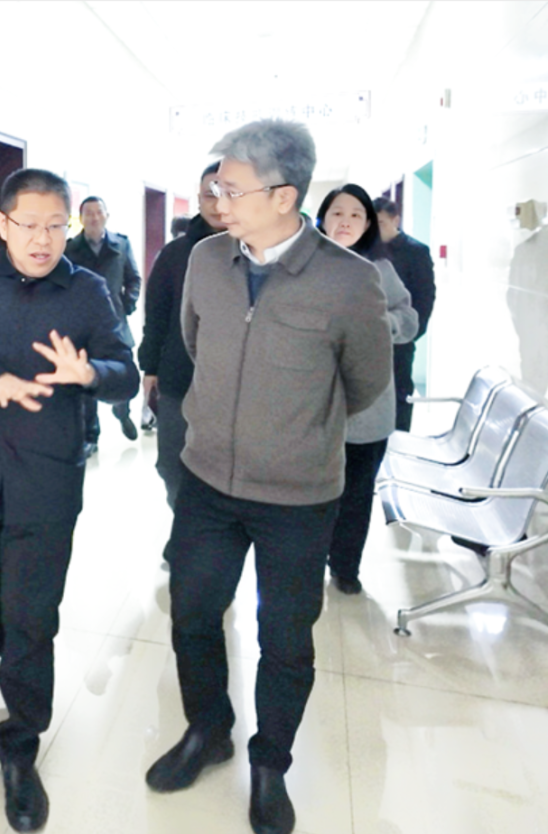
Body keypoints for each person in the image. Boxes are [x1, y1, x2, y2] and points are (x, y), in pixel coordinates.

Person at [146, 120, 391, 834]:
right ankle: (208, 730)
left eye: (232, 188)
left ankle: (271, 763)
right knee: (193, 614)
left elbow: (366, 381)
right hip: (207, 481)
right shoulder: (206, 259)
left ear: (284, 196)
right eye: (216, 185)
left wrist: (295, 428)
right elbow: (195, 342)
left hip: (297, 495)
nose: (217, 199)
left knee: (284, 639)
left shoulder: (350, 280)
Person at [0, 169, 138, 832]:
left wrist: (89, 373)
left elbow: (126, 373)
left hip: (47, 479)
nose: (43, 240)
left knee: (33, 614)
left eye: (55, 226)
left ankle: (20, 741)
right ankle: (9, 646)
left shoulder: (87, 289)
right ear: (2, 224)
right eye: (29, 225)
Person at [319, 186, 418, 594]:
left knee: (357, 493)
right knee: (312, 493)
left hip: (366, 409)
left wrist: (382, 326)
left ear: (367, 225)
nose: (345, 221)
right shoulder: (301, 266)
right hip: (311, 407)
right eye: (337, 212)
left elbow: (408, 318)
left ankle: (345, 566)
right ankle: (310, 557)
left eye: (356, 215)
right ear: (322, 219)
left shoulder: (379, 268)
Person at [138, 161, 227, 508]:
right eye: (210, 194)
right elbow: (157, 314)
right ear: (198, 198)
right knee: (172, 464)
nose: (218, 203)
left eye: (228, 193)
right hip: (180, 377)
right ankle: (185, 525)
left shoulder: (258, 252)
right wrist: (150, 368)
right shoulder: (175, 254)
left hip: (237, 386)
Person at [63, 195, 142, 453]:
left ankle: (122, 412)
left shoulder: (122, 244)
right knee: (86, 378)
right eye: (88, 213)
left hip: (115, 321)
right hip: (83, 325)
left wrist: (127, 304)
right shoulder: (70, 249)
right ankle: (91, 436)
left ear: (107, 216)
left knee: (121, 370)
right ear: (81, 218)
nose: (94, 218)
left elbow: (134, 278)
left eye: (99, 212)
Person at [372, 197, 436, 431]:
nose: (375, 229)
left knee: (400, 392)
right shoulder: (367, 251)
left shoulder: (415, 251)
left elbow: (424, 298)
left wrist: (409, 334)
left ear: (395, 220)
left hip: (400, 340)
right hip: (370, 339)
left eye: (380, 223)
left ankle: (399, 439)